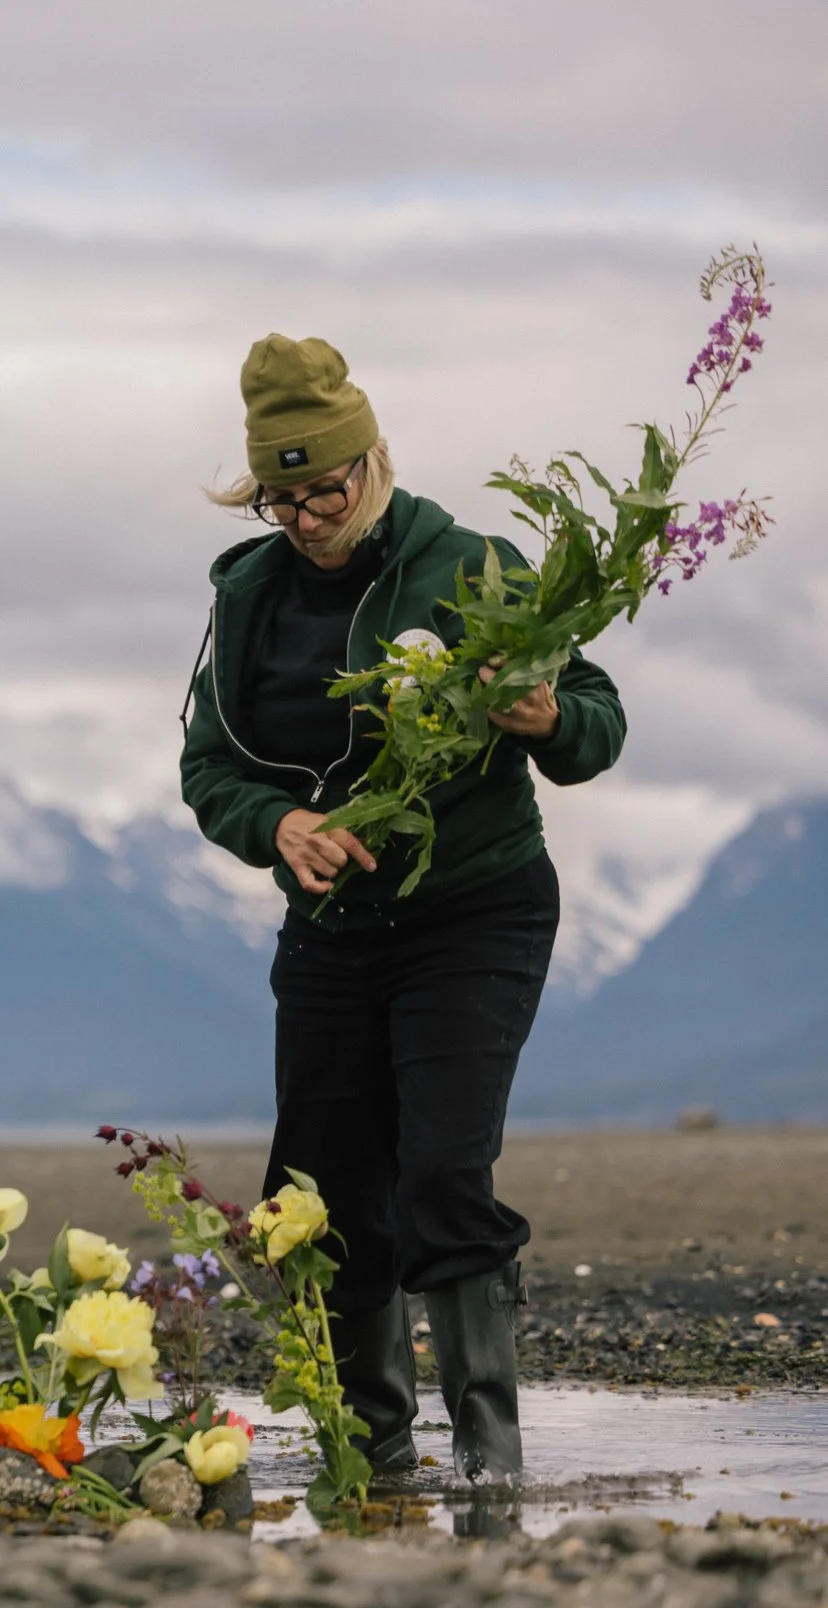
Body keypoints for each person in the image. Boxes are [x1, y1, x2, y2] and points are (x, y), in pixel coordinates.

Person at [177, 335, 626, 1485]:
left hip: (474, 910)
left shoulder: (472, 565)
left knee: (438, 1172)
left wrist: (540, 717)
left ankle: (487, 1457)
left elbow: (595, 720)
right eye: (281, 497)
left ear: (371, 461)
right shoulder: (250, 596)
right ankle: (369, 1456)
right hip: (330, 928)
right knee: (317, 1191)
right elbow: (210, 770)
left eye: (324, 487)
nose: (307, 517)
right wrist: (276, 828)